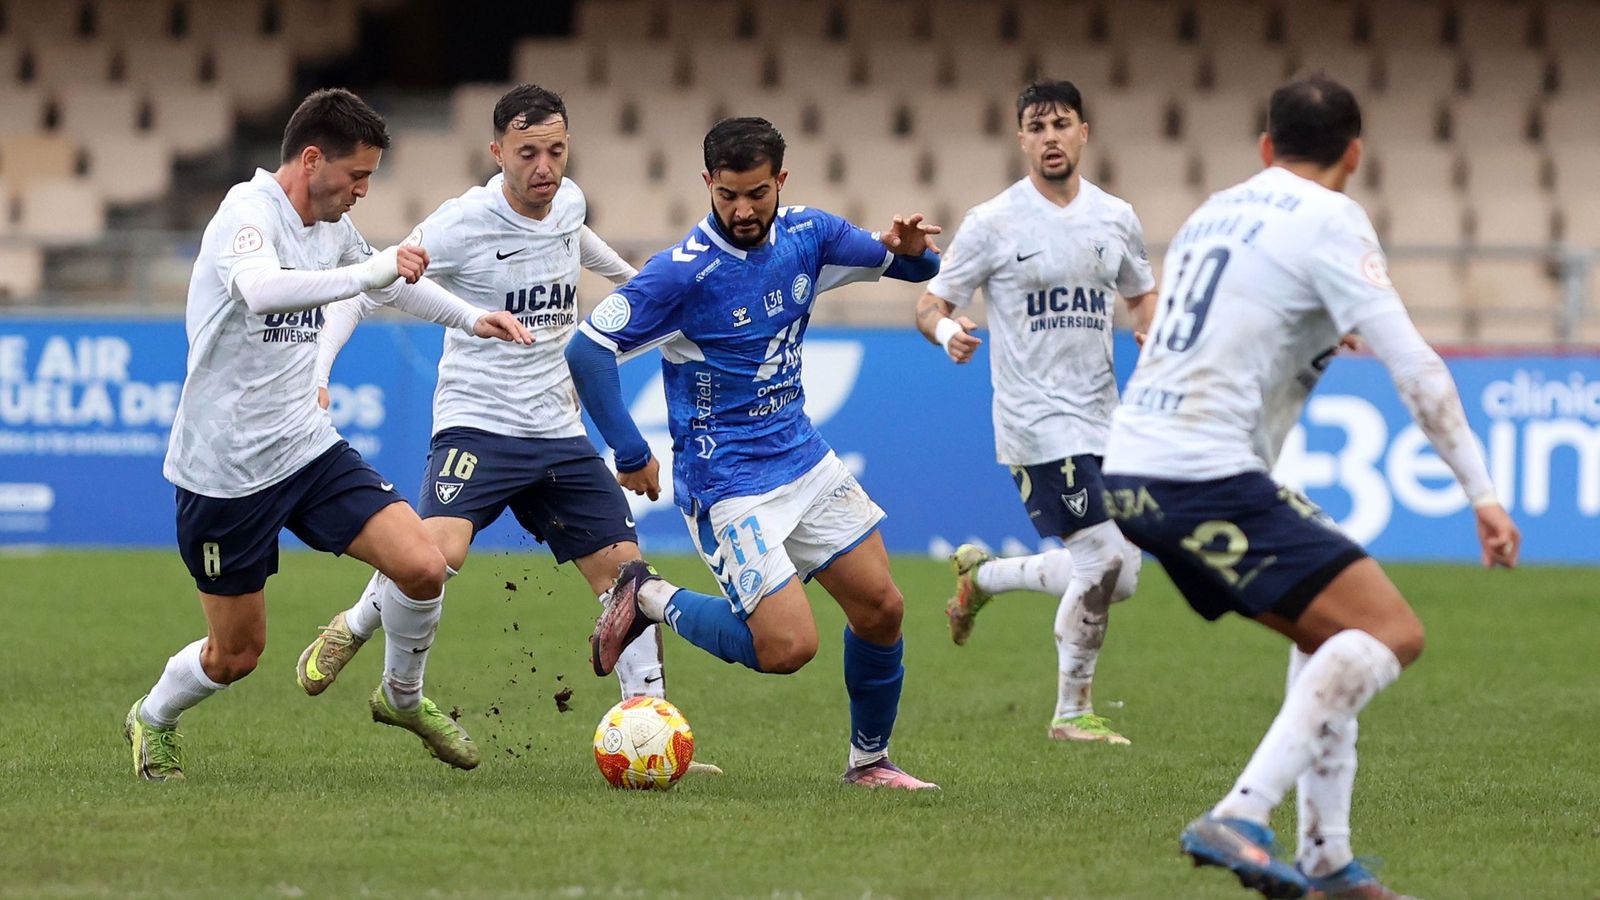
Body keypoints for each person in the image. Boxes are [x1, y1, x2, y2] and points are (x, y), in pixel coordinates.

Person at [1101, 76, 1520, 899]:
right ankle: (1241, 813)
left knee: (1328, 630)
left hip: (1133, 468)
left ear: (1267, 148)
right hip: (1202, 472)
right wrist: (1483, 493)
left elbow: (1235, 317)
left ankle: (1328, 858)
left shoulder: (1214, 211)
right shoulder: (1332, 218)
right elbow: (1419, 370)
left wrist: (1325, 326)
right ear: (1354, 155)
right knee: (1391, 631)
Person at [300, 85, 718, 774]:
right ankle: (356, 624)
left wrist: (638, 283)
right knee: (435, 555)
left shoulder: (569, 200)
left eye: (555, 150)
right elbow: (372, 285)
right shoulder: (462, 222)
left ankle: (652, 732)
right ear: (497, 152)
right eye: (527, 153)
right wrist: (320, 370)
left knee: (628, 578)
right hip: (479, 423)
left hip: (557, 428)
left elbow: (574, 237)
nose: (544, 166)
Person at [125, 88, 533, 782]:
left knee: (422, 564)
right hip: (224, 472)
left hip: (307, 448)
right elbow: (262, 289)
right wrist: (369, 270)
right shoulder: (246, 214)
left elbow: (390, 284)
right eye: (357, 176)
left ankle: (402, 697)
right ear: (312, 160)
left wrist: (471, 318)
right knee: (237, 654)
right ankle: (154, 717)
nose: (363, 192)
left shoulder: (331, 226)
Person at [564, 117, 944, 789]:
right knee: (788, 646)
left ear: (781, 181)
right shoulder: (682, 274)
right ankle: (647, 595)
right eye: (728, 195)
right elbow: (587, 350)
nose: (742, 210)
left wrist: (917, 253)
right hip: (728, 481)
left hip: (803, 458)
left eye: (757, 194)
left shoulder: (811, 235)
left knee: (882, 608)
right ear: (708, 183)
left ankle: (869, 763)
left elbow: (910, 267)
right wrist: (629, 447)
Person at [916, 80, 1156, 745]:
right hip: (1035, 421)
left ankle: (985, 577)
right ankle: (1072, 713)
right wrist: (947, 332)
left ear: (1084, 132)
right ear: (1022, 139)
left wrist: (1152, 330)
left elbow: (1142, 293)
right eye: (1037, 127)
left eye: (1062, 124)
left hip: (1104, 417)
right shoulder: (992, 222)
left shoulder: (1116, 217)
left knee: (1122, 576)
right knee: (1103, 562)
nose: (1051, 137)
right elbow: (929, 304)